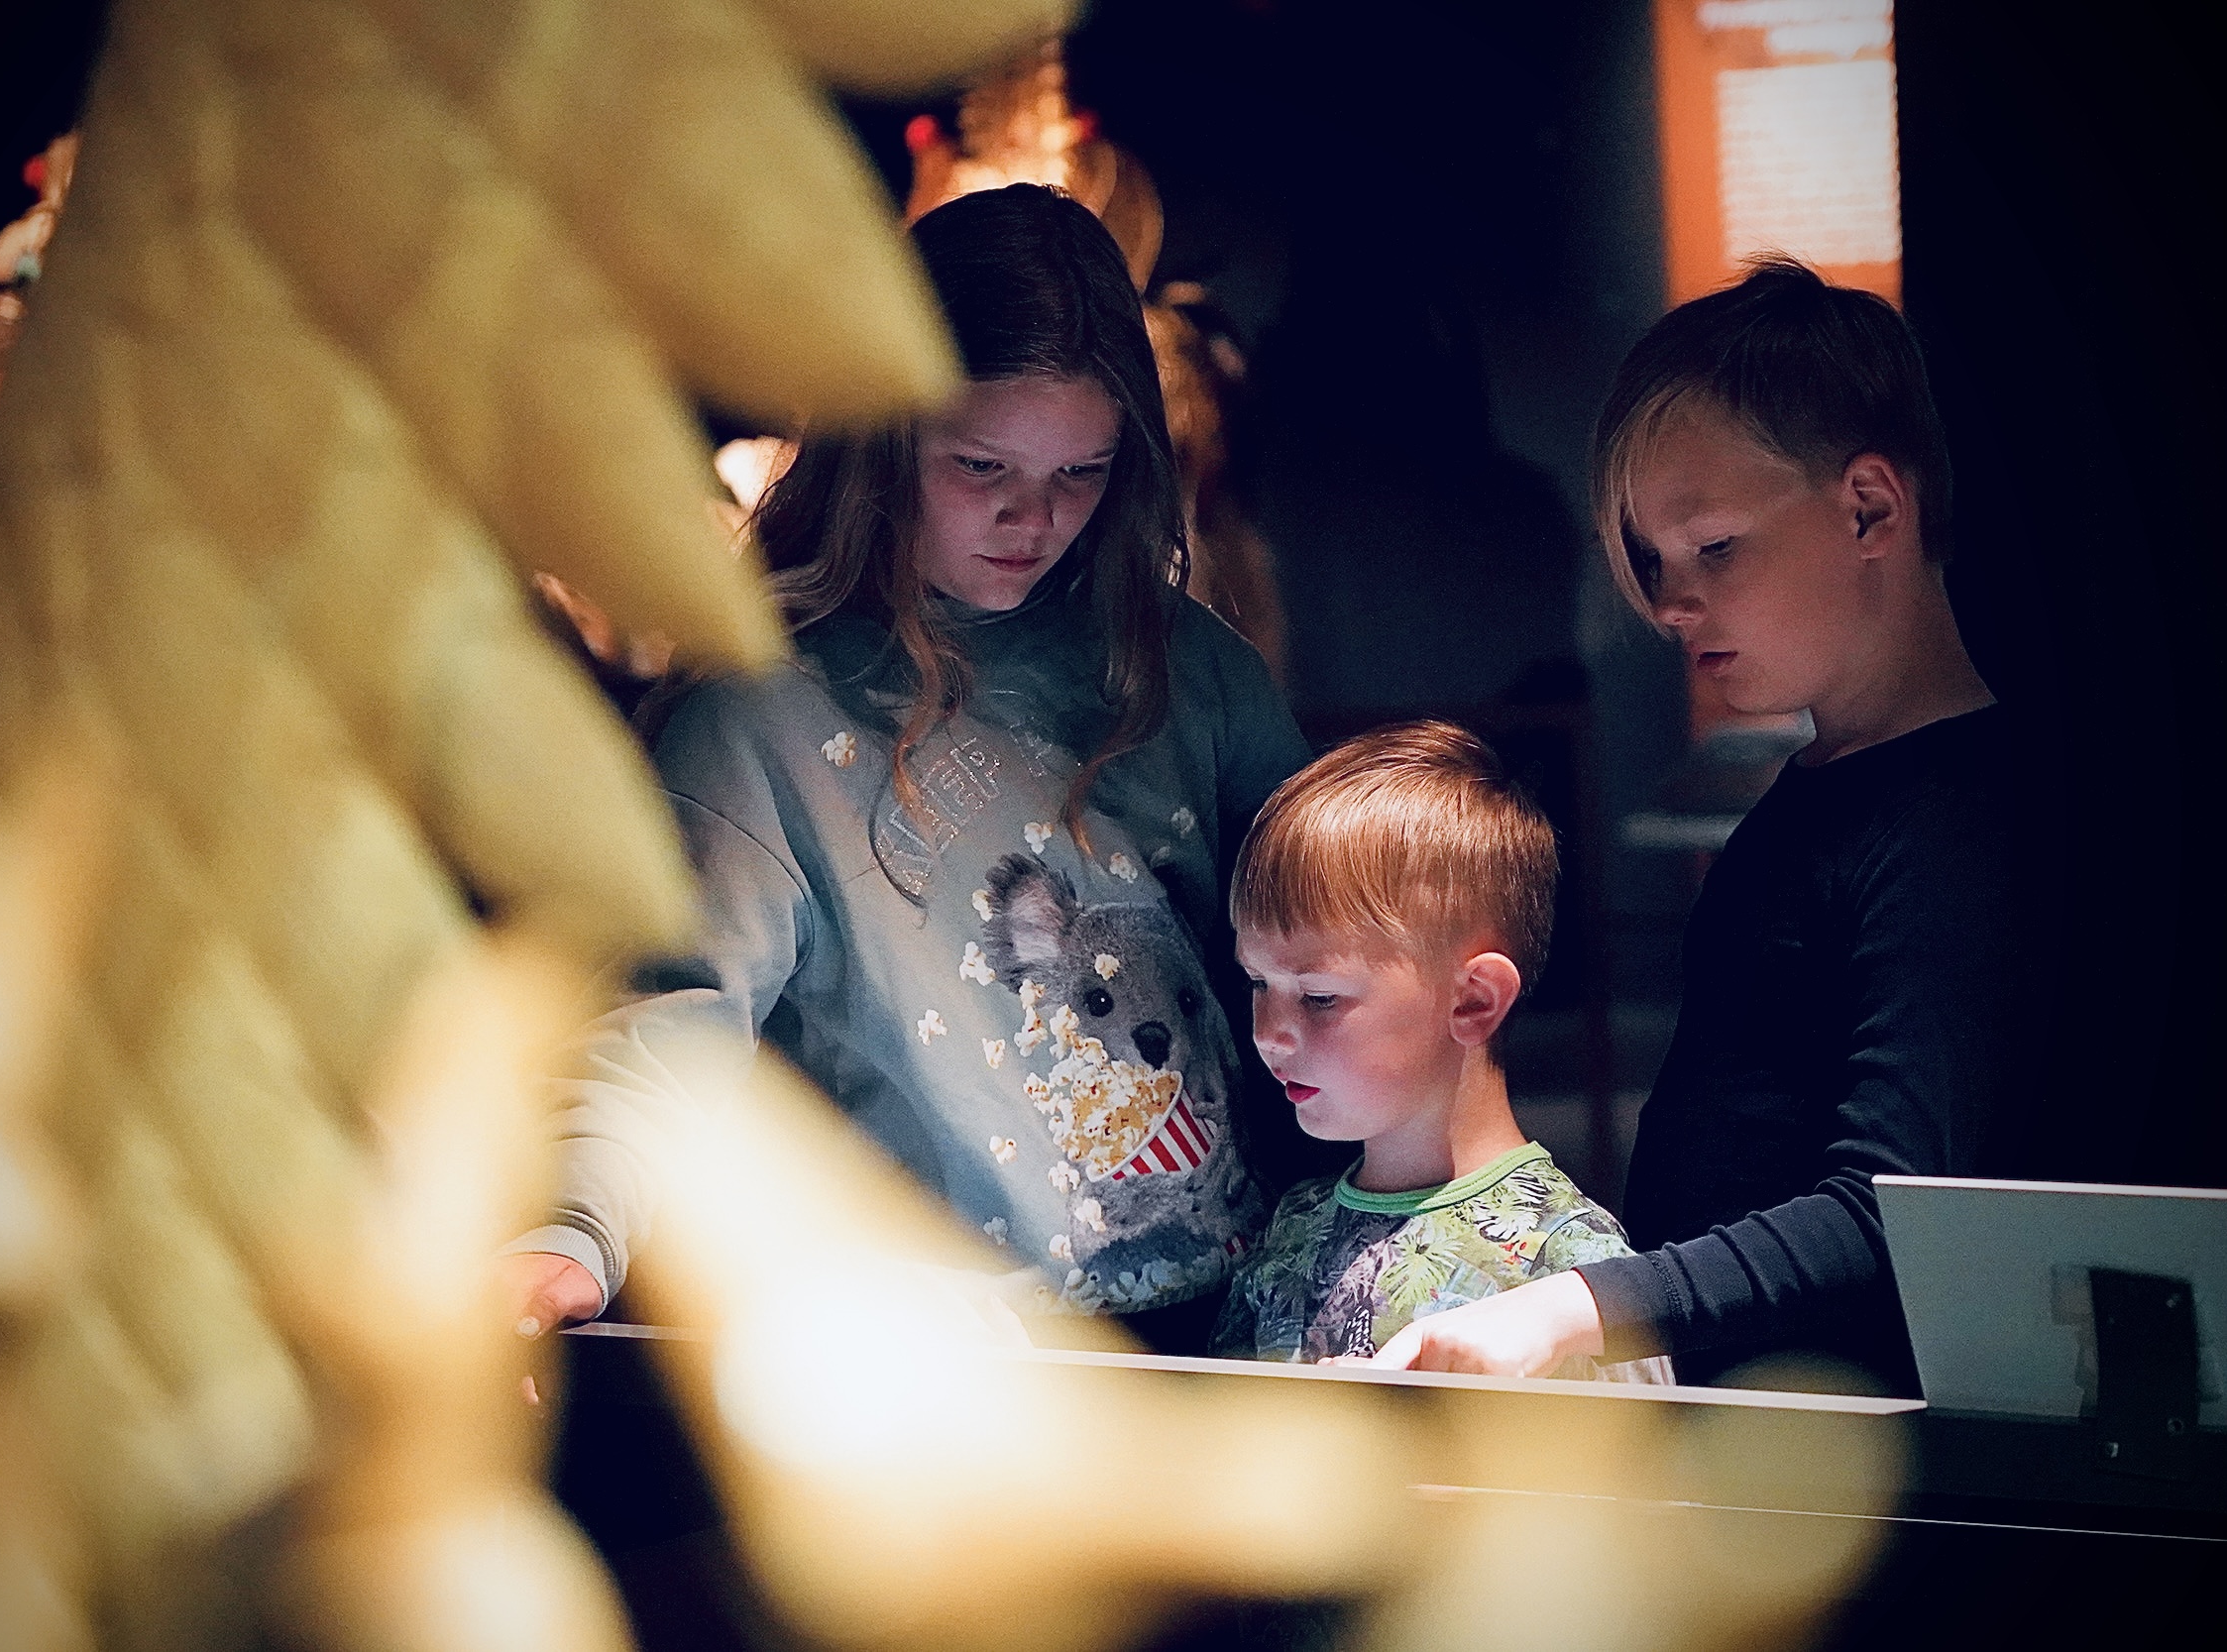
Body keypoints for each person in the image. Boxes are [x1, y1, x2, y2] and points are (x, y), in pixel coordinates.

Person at [503, 184, 1312, 1354]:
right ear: (883, 439)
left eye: (1080, 473)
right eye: (981, 465)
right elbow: (668, 1017)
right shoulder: (757, 714)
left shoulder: (1188, 670)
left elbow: (1342, 953)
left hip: (1226, 1327)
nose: (1032, 517)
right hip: (934, 1368)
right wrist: (569, 1231)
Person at [1364, 256, 2029, 1392]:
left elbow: (1889, 1208)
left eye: (1714, 547)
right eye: (1653, 561)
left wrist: (1576, 1308)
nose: (1673, 604)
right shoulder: (1818, 792)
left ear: (1869, 507)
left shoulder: (1953, 818)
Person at [1208, 722, 1669, 1380]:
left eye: (1320, 997)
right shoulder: (1292, 1226)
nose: (1268, 1032)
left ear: (1473, 1000)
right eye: (1258, 982)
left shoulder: (1568, 1267)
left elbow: (1643, 1447)